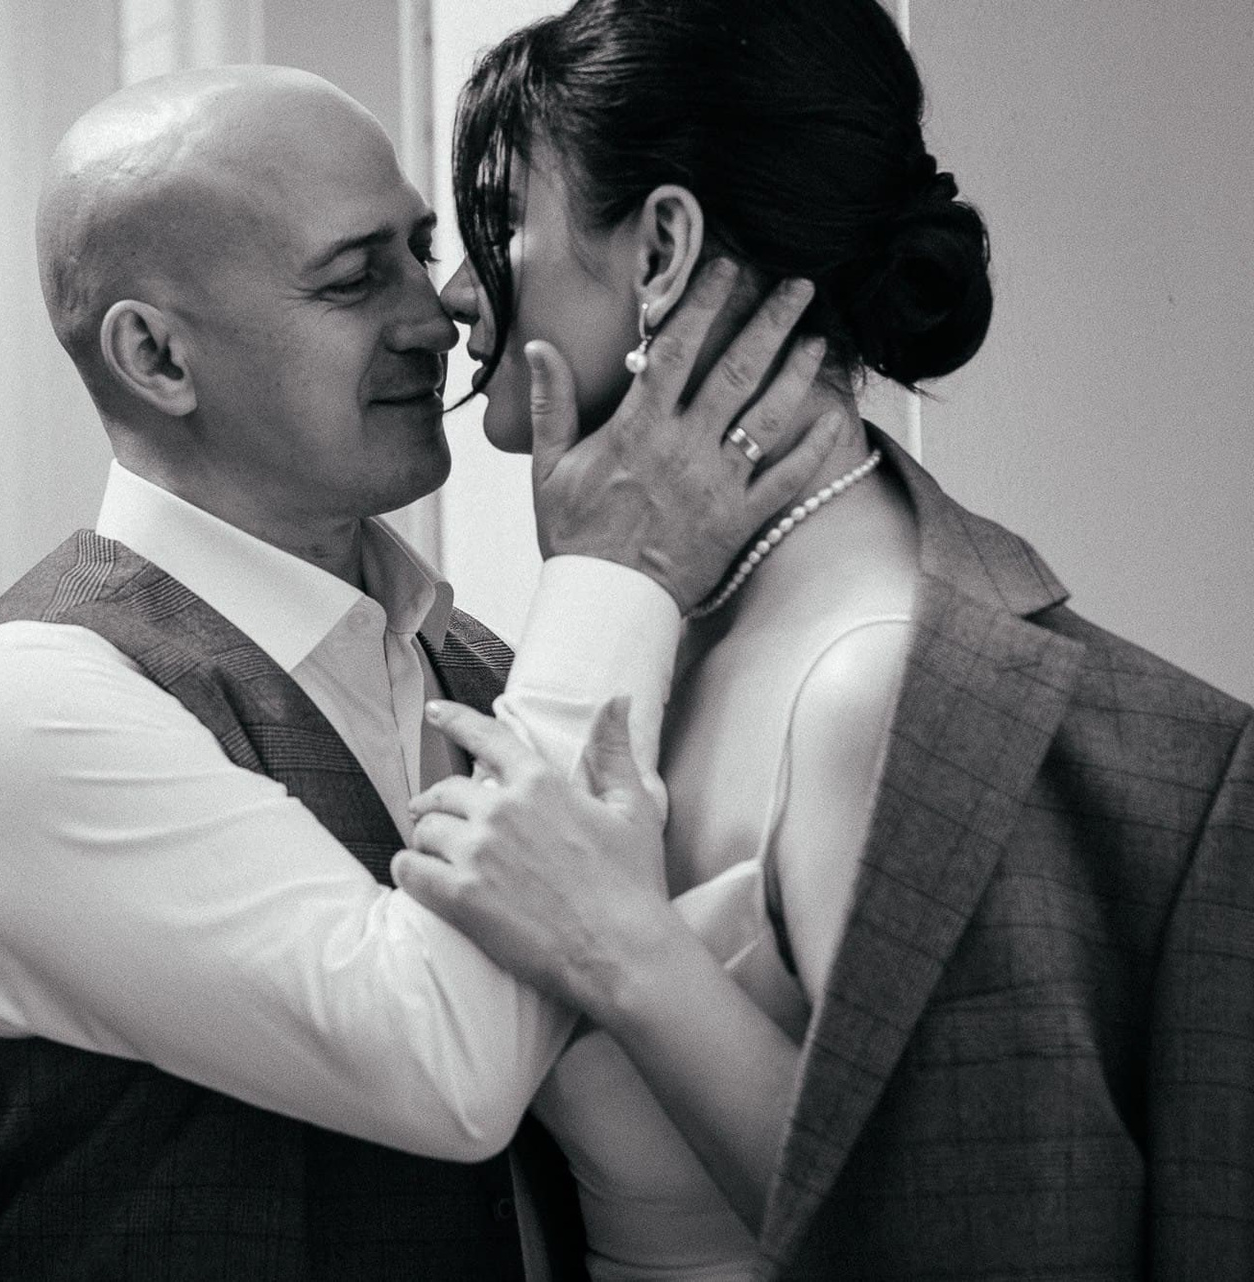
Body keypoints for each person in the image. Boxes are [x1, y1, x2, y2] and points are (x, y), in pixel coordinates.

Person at [0, 65, 839, 1279]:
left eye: (422, 250)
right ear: (156, 356)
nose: (439, 317)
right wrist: (616, 567)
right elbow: (448, 1065)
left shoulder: (478, 668)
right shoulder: (18, 711)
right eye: (356, 278)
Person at [394, 1, 1254, 1278]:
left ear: (662, 248)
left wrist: (621, 948)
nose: (458, 291)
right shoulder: (651, 614)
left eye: (499, 221)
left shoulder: (876, 683)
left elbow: (968, 1233)